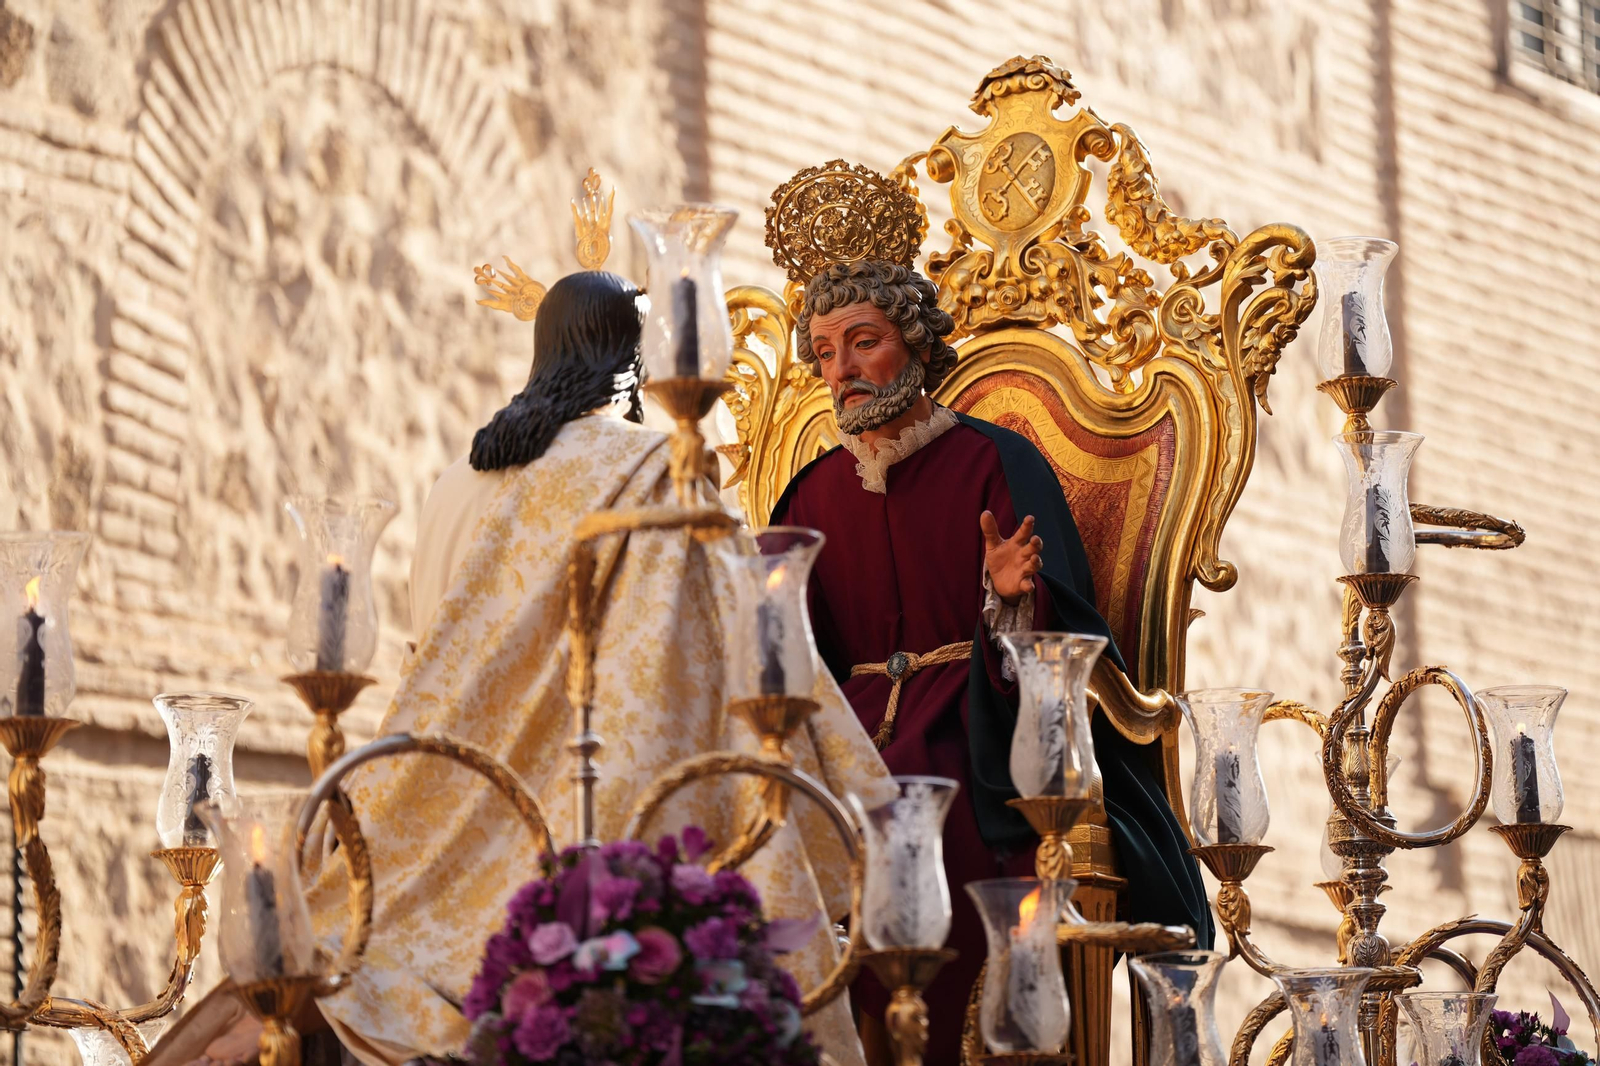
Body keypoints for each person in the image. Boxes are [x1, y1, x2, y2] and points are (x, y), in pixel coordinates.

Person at [171, 270, 891, 1066]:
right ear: (634, 364)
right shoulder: (663, 471)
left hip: (430, 815)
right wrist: (862, 793)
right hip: (602, 822)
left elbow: (435, 662)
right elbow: (734, 646)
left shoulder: (459, 480)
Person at [769, 256, 1211, 1066]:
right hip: (846, 728)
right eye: (825, 352)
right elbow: (789, 653)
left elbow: (1063, 643)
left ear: (913, 342)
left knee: (911, 814)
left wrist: (1005, 600)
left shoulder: (993, 462)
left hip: (974, 717)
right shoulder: (812, 495)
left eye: (863, 343)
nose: (843, 371)